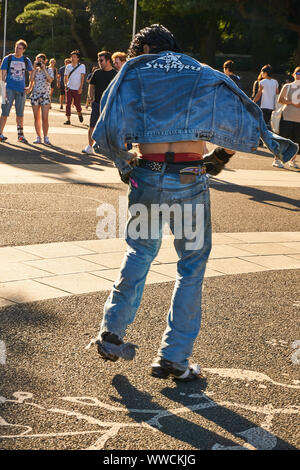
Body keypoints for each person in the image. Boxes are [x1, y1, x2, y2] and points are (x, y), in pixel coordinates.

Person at [87, 24, 298, 381]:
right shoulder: (199, 71)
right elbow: (238, 112)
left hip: (146, 174)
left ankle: (111, 332)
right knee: (191, 266)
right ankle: (174, 357)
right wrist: (219, 158)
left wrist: (125, 166)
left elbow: (107, 126)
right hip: (189, 175)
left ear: (144, 49)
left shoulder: (133, 71)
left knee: (138, 252)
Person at [82, 51, 117, 155]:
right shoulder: (97, 72)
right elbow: (91, 85)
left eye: (101, 60)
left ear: (108, 61)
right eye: (98, 60)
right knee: (92, 125)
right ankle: (89, 146)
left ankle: (106, 148)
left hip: (109, 105)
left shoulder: (115, 74)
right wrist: (90, 97)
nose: (99, 62)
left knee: (108, 127)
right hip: (97, 103)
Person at [0, 39, 33, 143]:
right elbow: (2, 76)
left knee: (20, 114)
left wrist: (30, 87)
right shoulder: (8, 58)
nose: (17, 50)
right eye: (16, 47)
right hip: (8, 89)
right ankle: (0, 133)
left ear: (23, 50)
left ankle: (20, 135)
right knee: (5, 112)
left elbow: (32, 73)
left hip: (21, 90)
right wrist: (2, 91)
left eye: (19, 48)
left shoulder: (26, 60)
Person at [276, 66, 300, 168]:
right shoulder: (287, 86)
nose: (299, 76)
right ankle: (277, 159)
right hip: (287, 117)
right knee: (283, 140)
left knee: (297, 142)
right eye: (297, 74)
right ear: (294, 74)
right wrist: (292, 102)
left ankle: (292, 160)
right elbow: (280, 100)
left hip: (298, 119)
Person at [29, 53, 54, 145]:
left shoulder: (49, 69)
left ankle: (46, 137)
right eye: (37, 61)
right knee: (36, 118)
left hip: (45, 95)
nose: (39, 63)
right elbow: (31, 79)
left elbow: (50, 80)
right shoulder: (35, 70)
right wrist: (35, 69)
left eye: (41, 61)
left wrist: (44, 69)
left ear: (45, 61)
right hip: (35, 95)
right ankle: (38, 136)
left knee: (45, 118)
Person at [64, 50, 86, 125]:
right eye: (72, 57)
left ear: (78, 58)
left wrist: (81, 87)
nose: (72, 58)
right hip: (69, 87)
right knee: (68, 103)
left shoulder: (82, 66)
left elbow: (82, 77)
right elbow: (65, 76)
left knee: (77, 104)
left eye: (74, 57)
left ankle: (79, 113)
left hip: (77, 88)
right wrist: (65, 85)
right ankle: (68, 119)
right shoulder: (68, 66)